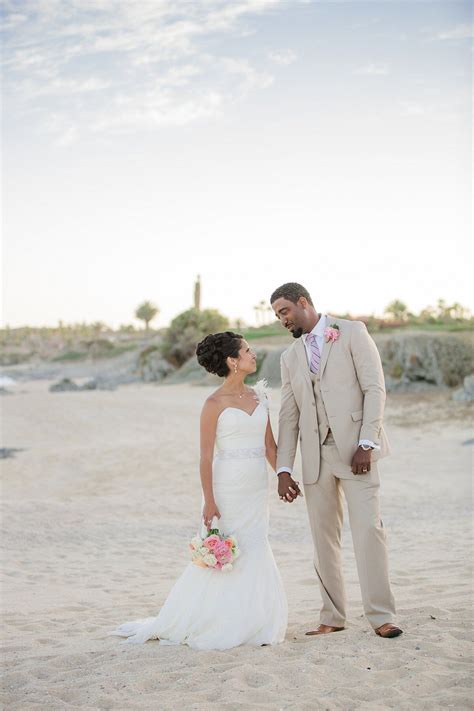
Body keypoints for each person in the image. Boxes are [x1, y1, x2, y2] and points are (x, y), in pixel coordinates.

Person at [110, 331, 287, 650]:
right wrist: (209, 501)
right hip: (227, 485)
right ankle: (215, 619)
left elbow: (270, 446)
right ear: (233, 361)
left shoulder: (260, 396)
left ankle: (254, 620)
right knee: (227, 549)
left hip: (256, 486)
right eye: (247, 350)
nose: (253, 354)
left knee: (256, 545)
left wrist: (286, 476)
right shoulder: (213, 404)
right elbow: (205, 456)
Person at [271, 282, 403, 639]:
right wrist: (284, 469)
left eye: (284, 311)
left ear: (303, 303)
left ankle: (381, 616)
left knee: (368, 532)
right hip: (316, 459)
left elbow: (375, 388)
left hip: (357, 452)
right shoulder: (289, 357)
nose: (282, 320)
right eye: (277, 315)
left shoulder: (351, 332)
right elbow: (288, 416)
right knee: (323, 539)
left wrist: (367, 443)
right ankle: (332, 616)